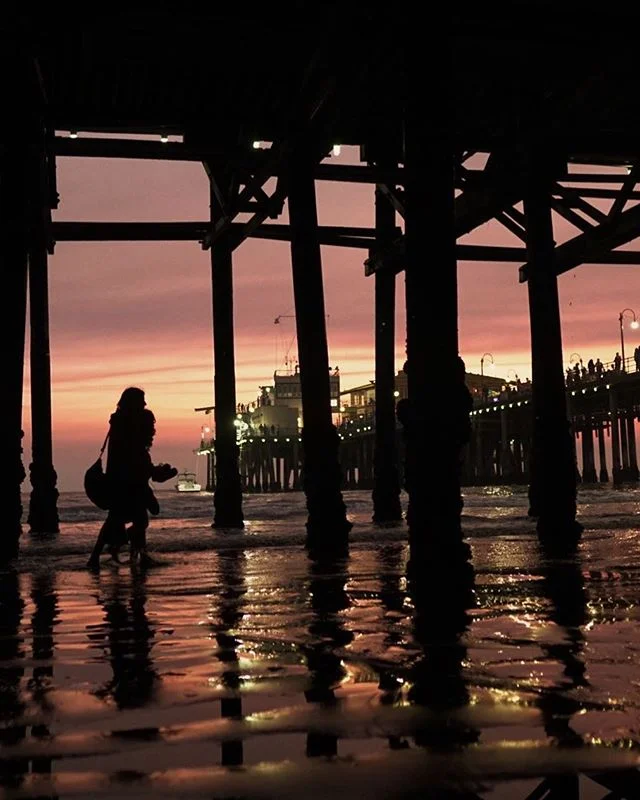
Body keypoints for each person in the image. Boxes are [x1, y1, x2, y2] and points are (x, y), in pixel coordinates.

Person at [87, 387, 176, 569]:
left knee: (124, 518)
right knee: (130, 519)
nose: (144, 404)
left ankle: (134, 555)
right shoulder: (127, 425)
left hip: (122, 480)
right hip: (127, 482)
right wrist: (154, 471)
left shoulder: (120, 422)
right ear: (133, 403)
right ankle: (119, 552)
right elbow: (134, 456)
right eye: (141, 401)